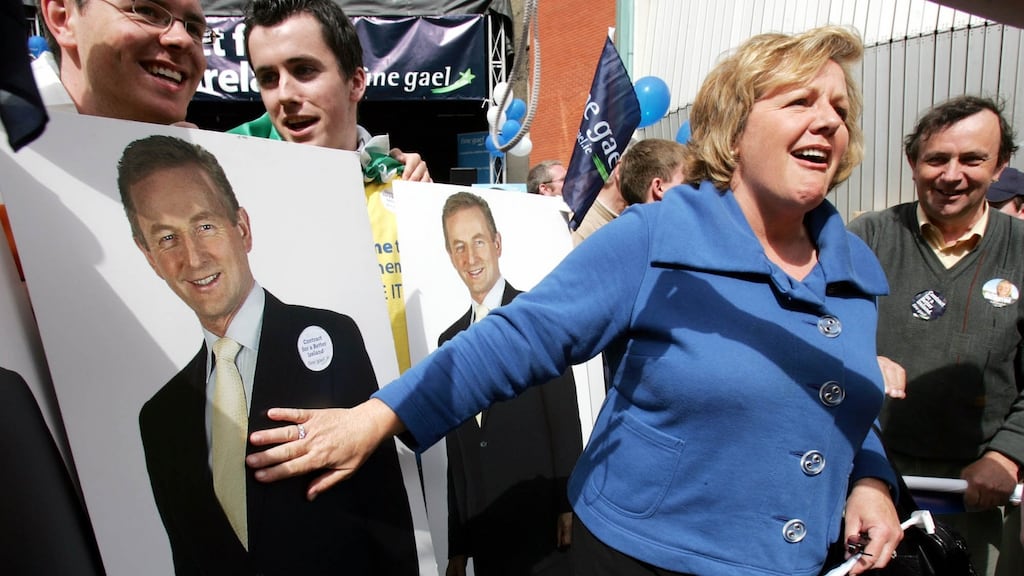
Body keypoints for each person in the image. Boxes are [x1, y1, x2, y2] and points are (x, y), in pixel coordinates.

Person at [246, 25, 904, 575]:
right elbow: (519, 337)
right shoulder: (658, 238)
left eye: (840, 110)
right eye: (799, 102)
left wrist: (870, 482)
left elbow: (842, 398)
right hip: (641, 562)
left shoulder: (856, 271)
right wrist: (380, 414)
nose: (826, 119)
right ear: (734, 131)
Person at [118, 135, 418, 575]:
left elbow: (385, 511)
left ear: (242, 227)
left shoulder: (333, 339)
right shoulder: (159, 420)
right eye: (166, 238)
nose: (194, 257)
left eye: (204, 226)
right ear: (148, 256)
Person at [848, 95, 1024, 576]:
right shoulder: (868, 238)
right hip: (869, 479)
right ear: (912, 162)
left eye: (972, 159)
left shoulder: (1022, 250)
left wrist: (1009, 455)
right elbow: (820, 335)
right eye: (936, 158)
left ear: (1001, 165)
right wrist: (858, 355)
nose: (952, 174)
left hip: (978, 494)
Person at [229, 0, 429, 372]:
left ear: (355, 83)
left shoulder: (408, 191)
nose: (284, 94)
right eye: (268, 78)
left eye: (303, 70)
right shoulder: (234, 195)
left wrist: (429, 213)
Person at [438, 192, 582, 576]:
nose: (471, 258)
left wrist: (568, 504)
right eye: (459, 247)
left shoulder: (535, 317)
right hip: (488, 534)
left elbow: (564, 418)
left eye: (479, 242)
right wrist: (458, 543)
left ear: (497, 244)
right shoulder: (448, 344)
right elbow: (458, 454)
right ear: (450, 256)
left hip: (542, 528)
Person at [36, 0, 206, 124]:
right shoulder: (11, 146)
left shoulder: (204, 163)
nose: (183, 39)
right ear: (63, 18)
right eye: (146, 11)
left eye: (193, 29)